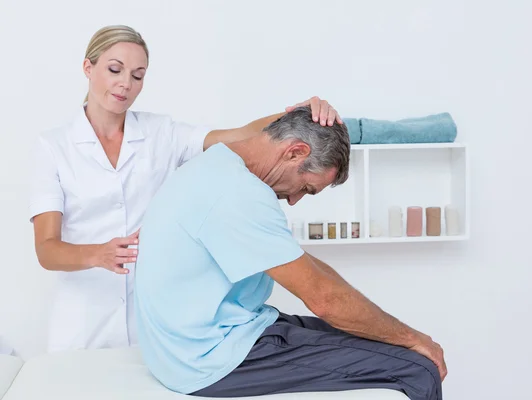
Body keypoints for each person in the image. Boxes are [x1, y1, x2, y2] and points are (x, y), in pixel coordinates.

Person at [28, 24, 342, 353]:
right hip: (83, 322)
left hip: (151, 318)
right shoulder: (53, 146)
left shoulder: (161, 132)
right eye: (114, 70)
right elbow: (47, 250)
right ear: (88, 68)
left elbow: (237, 136)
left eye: (138, 75)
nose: (125, 84)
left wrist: (299, 113)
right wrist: (98, 253)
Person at [134, 107, 447, 400]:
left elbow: (310, 270)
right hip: (206, 359)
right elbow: (325, 300)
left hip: (188, 345)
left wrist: (396, 334)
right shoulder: (238, 194)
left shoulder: (218, 163)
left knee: (373, 338)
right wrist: (413, 338)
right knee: (419, 370)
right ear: (296, 151)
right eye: (306, 188)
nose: (295, 200)